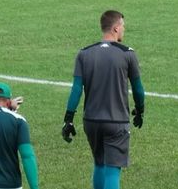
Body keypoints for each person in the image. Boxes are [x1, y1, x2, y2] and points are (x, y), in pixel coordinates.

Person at [61, 10, 145, 189]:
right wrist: (140, 110)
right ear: (115, 28)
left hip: (91, 121)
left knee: (99, 164)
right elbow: (138, 89)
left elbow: (76, 89)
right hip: (116, 121)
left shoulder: (84, 53)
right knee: (112, 169)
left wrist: (68, 118)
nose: (124, 29)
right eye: (123, 26)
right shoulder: (127, 54)